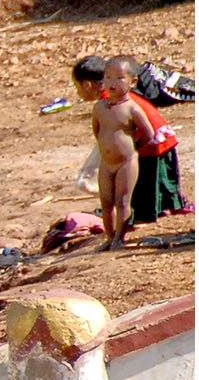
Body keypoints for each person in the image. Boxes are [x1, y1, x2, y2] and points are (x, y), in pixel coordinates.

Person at [71, 55, 190, 222]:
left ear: (87, 84)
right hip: (163, 139)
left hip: (151, 145)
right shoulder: (118, 92)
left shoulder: (109, 103)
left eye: (77, 86)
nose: (78, 92)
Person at [93, 57, 156, 250]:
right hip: (106, 162)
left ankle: (119, 238)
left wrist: (133, 147)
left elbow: (148, 133)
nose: (112, 82)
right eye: (107, 77)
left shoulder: (132, 108)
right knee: (106, 202)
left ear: (132, 81)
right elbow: (97, 130)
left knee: (122, 201)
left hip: (126, 162)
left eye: (119, 78)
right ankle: (109, 237)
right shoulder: (99, 107)